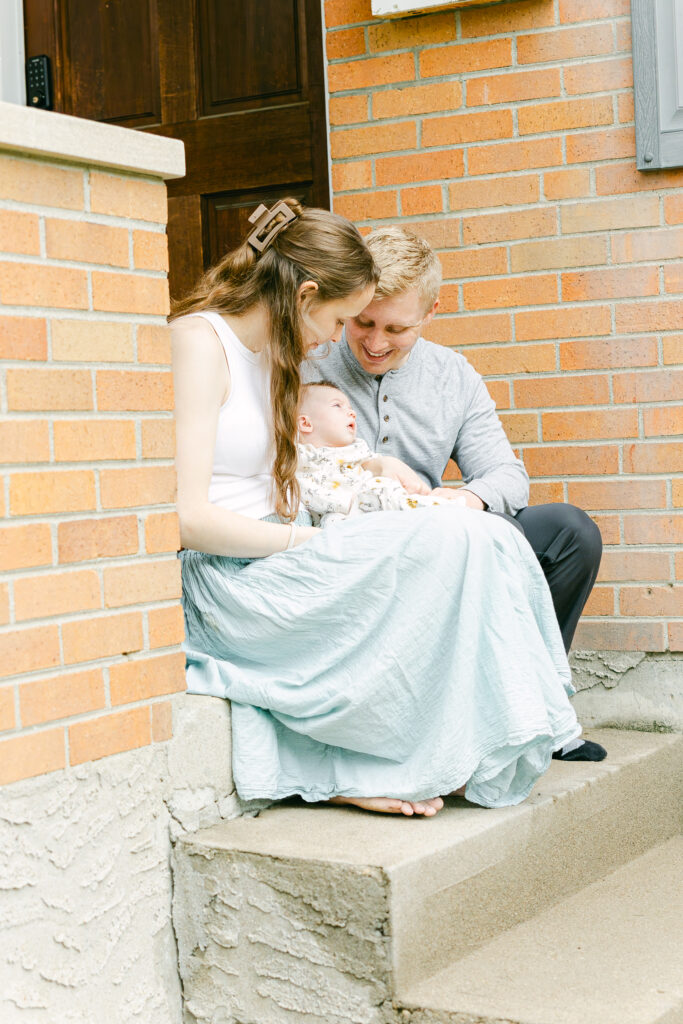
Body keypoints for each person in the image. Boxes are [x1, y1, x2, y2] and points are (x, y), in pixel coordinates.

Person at [171, 197, 583, 819]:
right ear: (305, 294)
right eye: (342, 321)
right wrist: (313, 544)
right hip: (233, 580)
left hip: (287, 548)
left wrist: (376, 485)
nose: (337, 340)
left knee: (481, 534)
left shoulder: (276, 356)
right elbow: (183, 517)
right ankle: (379, 758)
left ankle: (477, 737)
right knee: (451, 541)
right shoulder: (200, 343)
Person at [303, 225, 605, 763]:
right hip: (358, 545)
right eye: (363, 322)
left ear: (431, 312)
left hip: (443, 527)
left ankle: (534, 707)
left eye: (396, 328)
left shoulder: (452, 374)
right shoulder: (309, 363)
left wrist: (465, 501)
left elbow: (508, 476)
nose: (374, 342)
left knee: (570, 533)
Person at [297, 382, 465, 525]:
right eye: (337, 406)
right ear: (305, 423)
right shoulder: (301, 457)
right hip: (344, 510)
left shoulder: (357, 448)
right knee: (332, 522)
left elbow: (376, 463)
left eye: (350, 408)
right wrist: (349, 504)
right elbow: (305, 489)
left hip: (373, 499)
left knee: (387, 491)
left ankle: (436, 509)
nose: (352, 413)